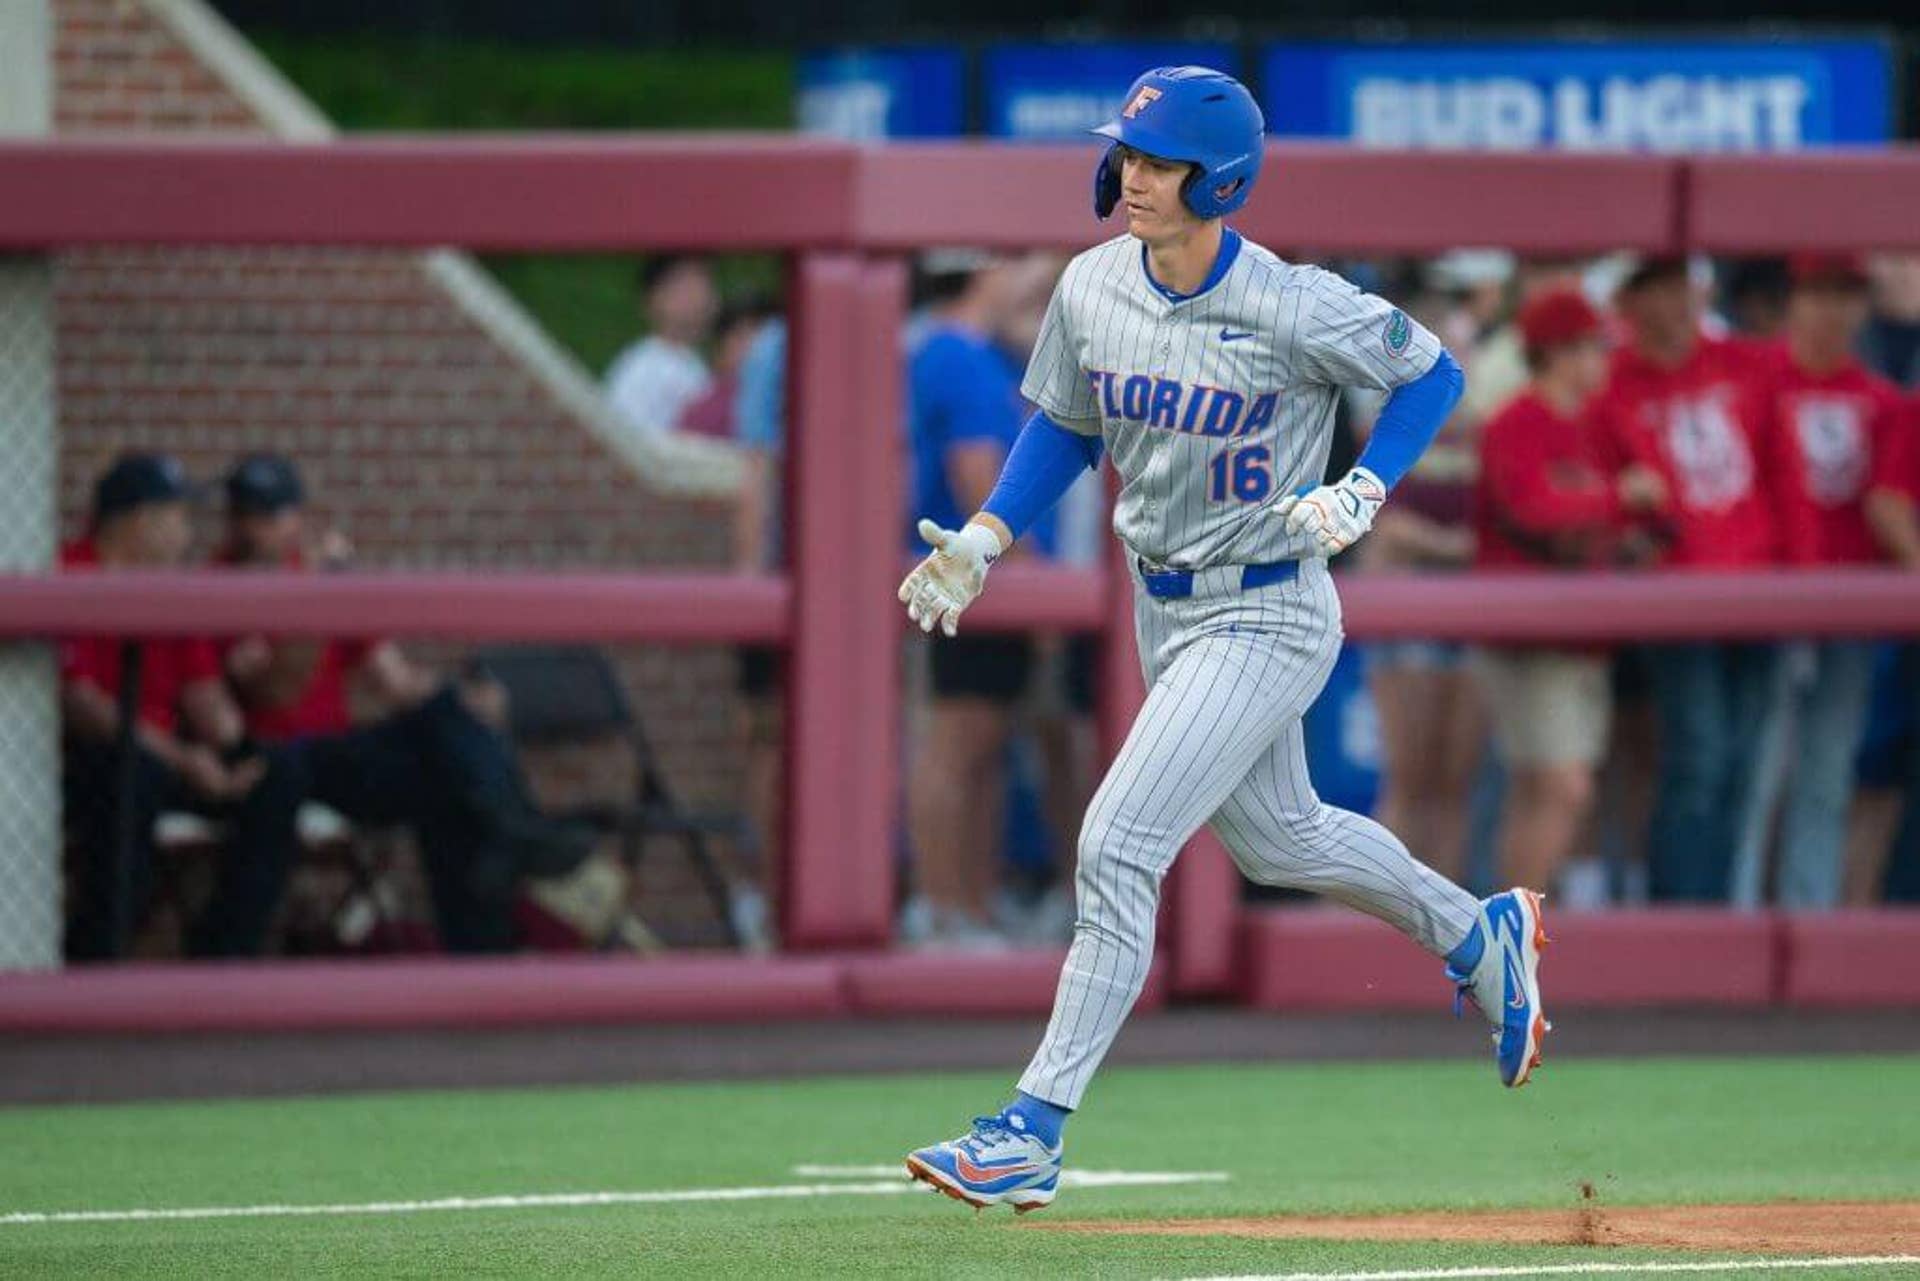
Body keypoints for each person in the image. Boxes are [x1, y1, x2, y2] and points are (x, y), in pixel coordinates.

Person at [896, 66, 1545, 1214]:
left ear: (1223, 179)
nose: (1136, 178)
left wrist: (1364, 489)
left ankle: (1031, 1128)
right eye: (1132, 158)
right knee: (1281, 841)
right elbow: (1064, 425)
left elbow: (1430, 372)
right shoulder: (1092, 287)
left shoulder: (1294, 302)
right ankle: (1474, 932)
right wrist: (991, 534)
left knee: (1116, 839)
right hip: (1166, 604)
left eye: (1161, 164)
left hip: (1269, 602)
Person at [214, 454, 590, 952]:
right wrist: (318, 598)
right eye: (245, 514)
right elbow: (271, 691)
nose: (254, 528)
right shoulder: (217, 584)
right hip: (276, 758)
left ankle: (485, 943)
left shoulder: (312, 576)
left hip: (337, 753)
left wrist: (464, 704)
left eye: (269, 514)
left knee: (449, 744)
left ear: (297, 518)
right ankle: (516, 831)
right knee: (438, 749)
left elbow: (396, 682)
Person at [1593, 256, 1807, 903]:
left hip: (1760, 586)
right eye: (1655, 286)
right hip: (1679, 594)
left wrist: (1799, 578)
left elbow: (1784, 469)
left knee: (1744, 763)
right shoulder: (1613, 385)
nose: (1676, 300)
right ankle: (1683, 916)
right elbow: (1610, 492)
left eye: (1680, 283)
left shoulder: (1749, 364)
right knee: (1699, 756)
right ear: (1630, 302)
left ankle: (1717, 917)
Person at [60, 453, 303, 959]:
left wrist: (235, 751)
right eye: (178, 516)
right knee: (131, 783)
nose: (188, 531)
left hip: (166, 756)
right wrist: (184, 761)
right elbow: (83, 705)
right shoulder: (70, 572)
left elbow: (204, 695)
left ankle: (221, 959)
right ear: (137, 521)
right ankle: (91, 970)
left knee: (277, 778)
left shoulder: (170, 585)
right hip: (91, 758)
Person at [1472, 289, 1665, 895]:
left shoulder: (1598, 419)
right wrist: (1619, 500)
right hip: (1526, 635)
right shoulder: (1515, 421)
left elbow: (1658, 504)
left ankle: (1510, 936)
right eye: (1589, 346)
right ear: (1555, 352)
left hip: (1586, 636)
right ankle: (1510, 941)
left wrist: (1636, 527)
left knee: (1545, 790)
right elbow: (1535, 509)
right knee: (1562, 786)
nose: (1602, 358)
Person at [1745, 255, 1910, 907]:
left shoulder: (1880, 399)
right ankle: (1732, 923)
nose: (1832, 310)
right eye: (1818, 294)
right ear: (1794, 302)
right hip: (1765, 599)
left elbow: (1886, 502)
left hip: (1847, 606)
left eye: (1846, 296)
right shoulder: (1758, 380)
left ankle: (1806, 916)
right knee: (1756, 773)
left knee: (1826, 772)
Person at [901, 250, 1036, 948]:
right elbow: (976, 474)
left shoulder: (966, 350)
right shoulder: (957, 354)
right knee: (956, 739)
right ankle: (941, 906)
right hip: (973, 577)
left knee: (983, 741)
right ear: (986, 271)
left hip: (980, 578)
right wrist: (1036, 575)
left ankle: (971, 906)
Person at [603, 254, 720, 441]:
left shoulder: (695, 362)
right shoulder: (641, 369)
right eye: (685, 287)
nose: (700, 297)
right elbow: (626, 442)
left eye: (704, 283)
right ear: (654, 300)